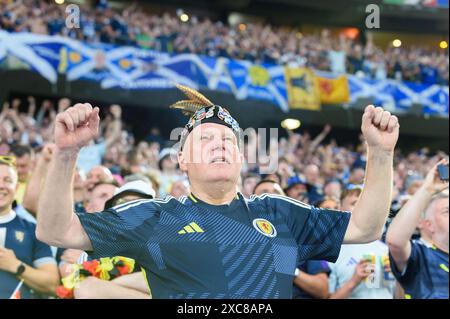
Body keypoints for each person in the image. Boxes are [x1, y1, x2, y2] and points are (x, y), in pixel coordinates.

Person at [37, 84, 400, 299]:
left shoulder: (280, 212)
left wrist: (381, 154)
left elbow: (365, 228)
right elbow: (56, 231)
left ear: (241, 156)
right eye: (205, 139)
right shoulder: (155, 217)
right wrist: (67, 154)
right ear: (182, 159)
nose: (219, 144)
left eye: (228, 139)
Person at [387, 160, 449, 299]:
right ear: (429, 225)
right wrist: (428, 189)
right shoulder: (422, 256)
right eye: (447, 211)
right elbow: (395, 241)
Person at [0, 156, 59, 299]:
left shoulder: (34, 230)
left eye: (7, 180)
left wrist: (15, 266)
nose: (1, 185)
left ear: (17, 187)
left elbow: (53, 285)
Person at [328, 186, 395, 299]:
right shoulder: (330, 252)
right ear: (340, 208)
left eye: (365, 204)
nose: (361, 209)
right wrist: (353, 282)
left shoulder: (387, 250)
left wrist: (398, 278)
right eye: (354, 203)